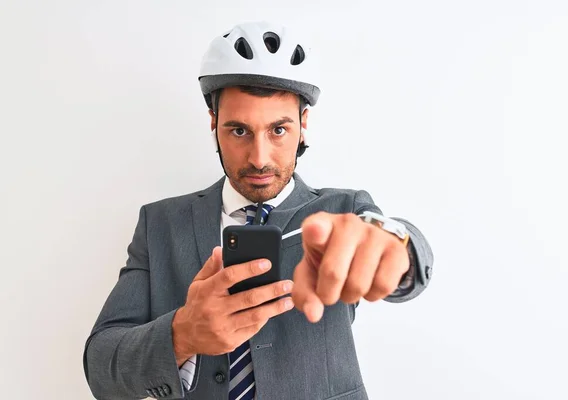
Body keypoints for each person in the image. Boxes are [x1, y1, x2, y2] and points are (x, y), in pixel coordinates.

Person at [83, 21, 434, 400]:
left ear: (303, 126)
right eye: (238, 131)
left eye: (278, 130)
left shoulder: (342, 210)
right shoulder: (160, 223)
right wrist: (182, 334)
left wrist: (396, 245)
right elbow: (101, 365)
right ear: (214, 125)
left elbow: (396, 245)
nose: (259, 158)